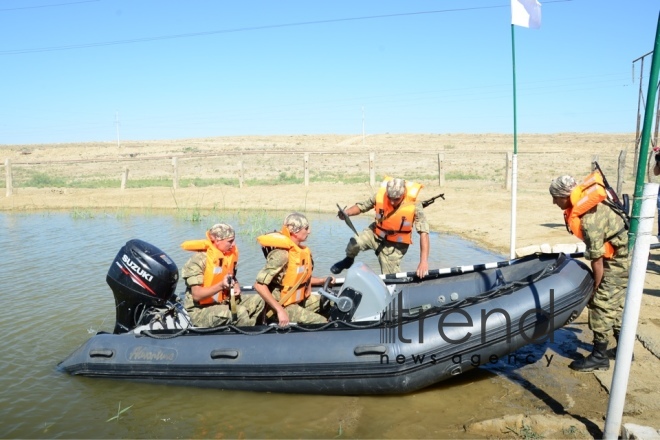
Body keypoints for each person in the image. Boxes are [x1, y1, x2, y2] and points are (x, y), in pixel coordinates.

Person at [549, 173, 629, 371]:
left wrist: (595, 286)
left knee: (601, 303)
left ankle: (599, 357)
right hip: (619, 256)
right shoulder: (586, 209)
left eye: (555, 197)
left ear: (565, 196)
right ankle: (623, 350)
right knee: (614, 304)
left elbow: (597, 261)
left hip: (618, 262)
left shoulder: (590, 220)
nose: (553, 202)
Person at [331, 176, 430, 278]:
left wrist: (423, 262)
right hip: (375, 234)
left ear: (403, 194)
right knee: (354, 243)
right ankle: (348, 260)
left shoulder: (415, 206)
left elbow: (424, 233)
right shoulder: (379, 196)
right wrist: (347, 213)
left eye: (396, 199)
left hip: (395, 245)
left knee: (391, 279)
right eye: (389, 197)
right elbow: (362, 207)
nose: (392, 202)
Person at [253, 212, 333, 326]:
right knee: (322, 323)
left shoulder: (302, 251)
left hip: (299, 300)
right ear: (295, 231)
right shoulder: (282, 255)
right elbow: (259, 285)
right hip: (283, 305)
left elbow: (300, 279)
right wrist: (280, 311)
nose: (309, 231)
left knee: (332, 303)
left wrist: (322, 281)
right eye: (306, 228)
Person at [181, 223, 264, 327]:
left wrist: (236, 284)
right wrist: (221, 285)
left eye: (233, 240)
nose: (233, 244)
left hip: (221, 302)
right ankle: (243, 339)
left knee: (258, 301)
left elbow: (230, 275)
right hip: (199, 311)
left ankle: (252, 331)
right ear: (217, 240)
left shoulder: (226, 256)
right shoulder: (198, 260)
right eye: (230, 241)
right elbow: (197, 295)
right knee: (240, 312)